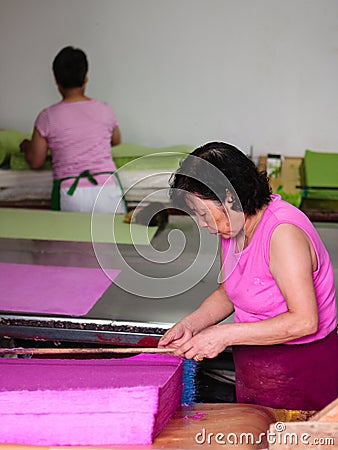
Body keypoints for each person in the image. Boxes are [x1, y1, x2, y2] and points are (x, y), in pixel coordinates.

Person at [158, 141, 337, 411]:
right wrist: (191, 325)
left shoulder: (283, 233)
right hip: (255, 363)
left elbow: (304, 321)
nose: (204, 225)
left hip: (301, 368)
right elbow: (227, 292)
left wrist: (222, 335)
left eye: (204, 213)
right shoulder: (233, 227)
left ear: (230, 197)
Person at [20, 46, 127, 213]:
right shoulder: (105, 110)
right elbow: (116, 140)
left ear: (56, 81)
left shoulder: (47, 116)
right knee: (111, 238)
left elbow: (36, 161)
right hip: (107, 189)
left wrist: (27, 147)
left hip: (70, 193)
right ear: (85, 78)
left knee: (69, 239)